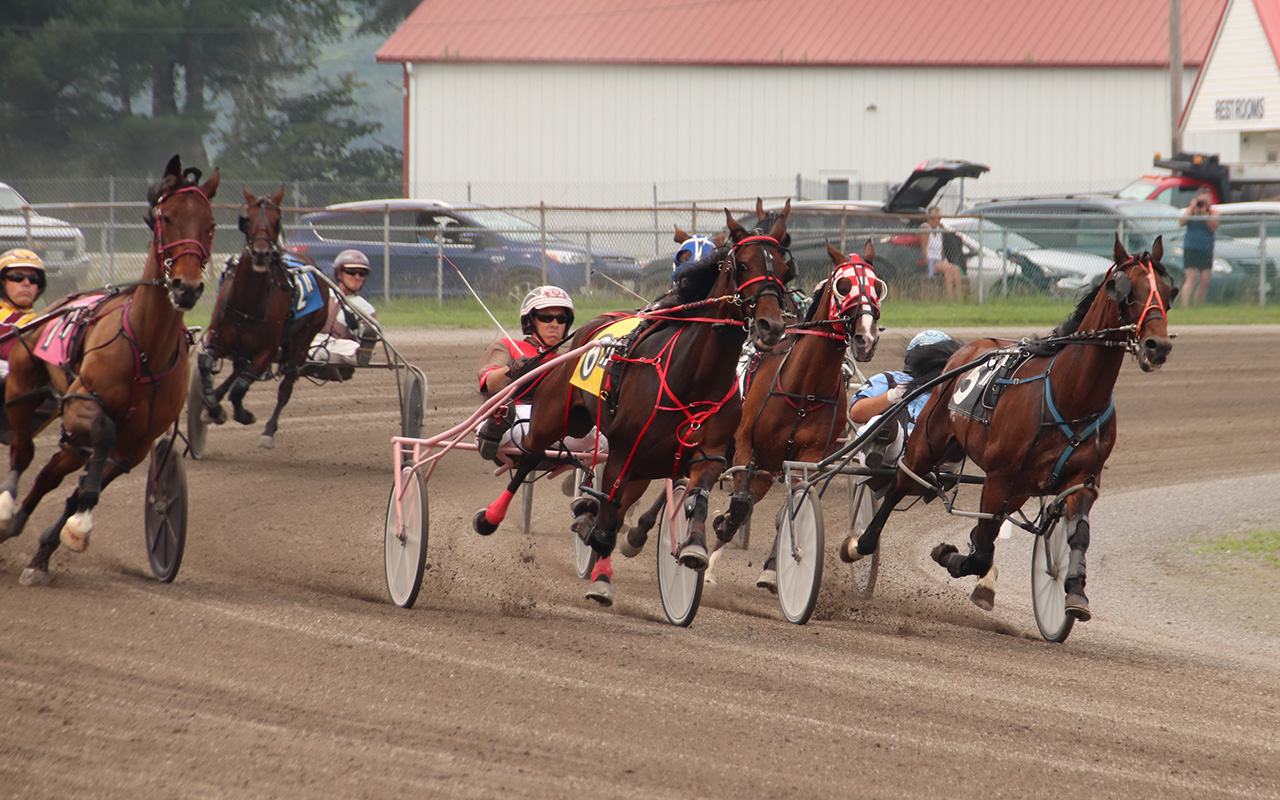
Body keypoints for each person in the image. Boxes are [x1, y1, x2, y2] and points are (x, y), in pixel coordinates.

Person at [848, 329, 963, 469]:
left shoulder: (953, 387)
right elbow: (856, 413)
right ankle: (880, 444)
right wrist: (891, 396)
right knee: (878, 423)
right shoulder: (889, 379)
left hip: (934, 452)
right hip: (892, 450)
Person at [308, 250, 379, 373]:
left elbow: (368, 336)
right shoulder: (322, 295)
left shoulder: (366, 308)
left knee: (351, 348)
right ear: (339, 274)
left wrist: (356, 328)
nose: (357, 277)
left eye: (362, 274)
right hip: (311, 339)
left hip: (338, 346)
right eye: (351, 272)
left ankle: (359, 355)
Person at [0, 248, 48, 379]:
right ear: (2, 282)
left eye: (33, 279)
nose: (27, 283)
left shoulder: (44, 322)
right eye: (18, 277)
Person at [1178, 186, 1218, 307]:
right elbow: (1181, 222)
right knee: (1191, 277)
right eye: (1201, 201)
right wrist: (1192, 207)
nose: (1202, 203)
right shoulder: (1191, 211)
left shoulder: (1213, 212)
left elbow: (1213, 226)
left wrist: (1205, 213)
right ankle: (1185, 306)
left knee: (1205, 279)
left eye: (1205, 201)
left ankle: (1198, 305)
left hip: (1206, 248)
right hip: (1191, 247)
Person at [919, 206, 964, 301]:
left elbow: (941, 250)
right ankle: (953, 297)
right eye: (936, 218)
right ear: (930, 218)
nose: (938, 220)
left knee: (954, 270)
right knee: (949, 268)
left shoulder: (939, 230)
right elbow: (924, 248)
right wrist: (928, 263)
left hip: (940, 260)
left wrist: (944, 259)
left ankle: (955, 297)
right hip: (931, 261)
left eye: (939, 218)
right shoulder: (926, 228)